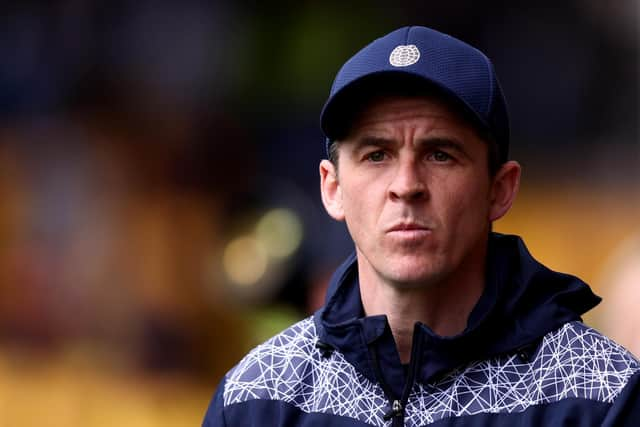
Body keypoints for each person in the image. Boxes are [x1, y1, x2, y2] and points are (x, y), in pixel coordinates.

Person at [202, 26, 639, 426]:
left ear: (500, 189)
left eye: (439, 154)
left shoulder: (600, 396)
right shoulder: (257, 400)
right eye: (377, 155)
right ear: (332, 188)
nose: (406, 186)